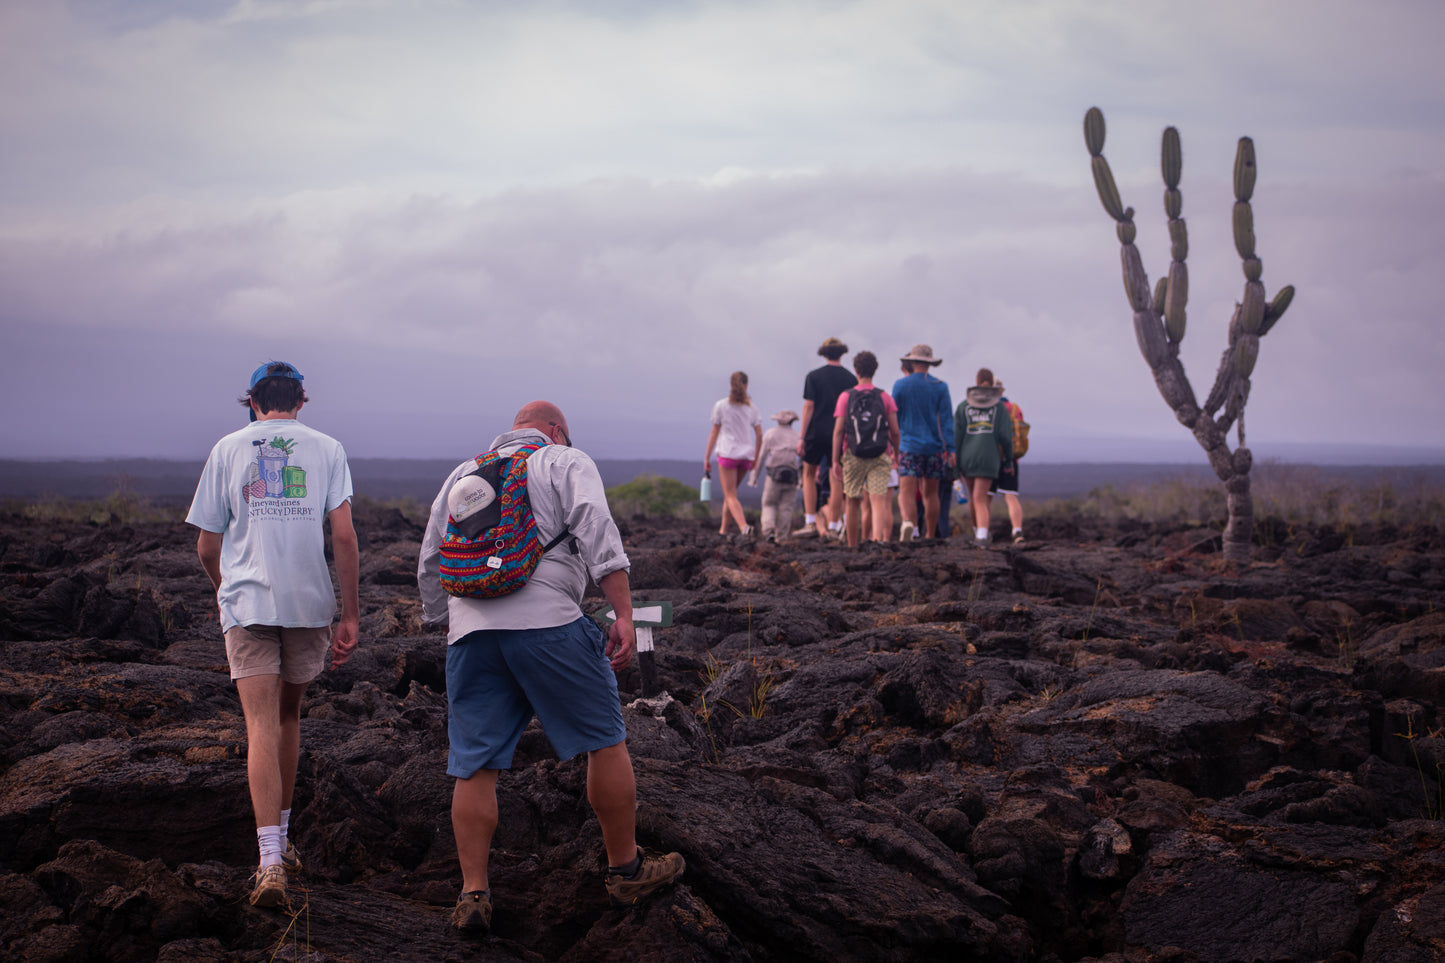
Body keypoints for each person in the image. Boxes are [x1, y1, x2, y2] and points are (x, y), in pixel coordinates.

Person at [418, 401, 685, 935]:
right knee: (605, 740)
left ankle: (473, 893)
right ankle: (625, 870)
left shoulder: (462, 473)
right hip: (548, 624)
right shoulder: (563, 461)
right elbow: (598, 533)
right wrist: (625, 616)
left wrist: (440, 622)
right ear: (556, 431)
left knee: (474, 764)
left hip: (470, 634)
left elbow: (431, 560)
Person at [186, 360, 360, 909]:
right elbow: (345, 538)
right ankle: (282, 844)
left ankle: (267, 863)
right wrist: (351, 613)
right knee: (288, 717)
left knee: (258, 724)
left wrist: (225, 591)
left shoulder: (227, 449)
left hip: (248, 602)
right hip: (308, 605)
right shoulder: (328, 449)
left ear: (254, 402)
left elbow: (207, 546)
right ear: (301, 402)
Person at [830, 351, 901, 549]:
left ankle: (852, 547)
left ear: (855, 370)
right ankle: (876, 543)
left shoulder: (845, 397)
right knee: (878, 501)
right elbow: (895, 431)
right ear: (874, 370)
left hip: (853, 455)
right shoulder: (885, 397)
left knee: (852, 501)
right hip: (880, 454)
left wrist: (836, 460)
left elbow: (838, 431)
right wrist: (896, 452)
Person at [891, 345, 955, 542]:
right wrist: (951, 448)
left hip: (908, 446)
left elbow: (894, 418)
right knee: (931, 494)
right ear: (930, 363)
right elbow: (946, 421)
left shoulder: (900, 385)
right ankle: (929, 535)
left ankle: (913, 528)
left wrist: (893, 447)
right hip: (934, 448)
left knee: (907, 493)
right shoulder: (940, 386)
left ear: (912, 361)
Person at [797, 338, 857, 538]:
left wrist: (802, 436)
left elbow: (808, 407)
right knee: (836, 477)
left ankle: (810, 521)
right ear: (842, 353)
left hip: (815, 431)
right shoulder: (850, 379)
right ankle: (833, 524)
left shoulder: (813, 376)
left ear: (824, 353)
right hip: (839, 433)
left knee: (808, 474)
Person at [955, 367, 1013, 548]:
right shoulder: (999, 408)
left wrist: (956, 464)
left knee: (974, 497)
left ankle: (977, 532)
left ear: (976, 381)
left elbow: (956, 437)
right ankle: (982, 536)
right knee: (981, 497)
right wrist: (1008, 460)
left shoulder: (964, 406)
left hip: (967, 457)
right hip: (988, 457)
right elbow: (1005, 436)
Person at [704, 372, 763, 537]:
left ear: (731, 385)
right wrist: (756, 457)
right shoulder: (752, 408)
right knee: (731, 495)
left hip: (728, 454)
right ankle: (723, 530)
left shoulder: (721, 406)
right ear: (746, 385)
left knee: (729, 495)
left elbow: (714, 432)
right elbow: (759, 434)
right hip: (746, 456)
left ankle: (743, 527)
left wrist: (707, 457)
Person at [747, 409, 803, 542]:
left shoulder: (770, 434)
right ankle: (781, 537)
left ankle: (768, 531)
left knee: (769, 504)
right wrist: (801, 479)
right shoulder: (797, 437)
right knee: (786, 507)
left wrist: (754, 477)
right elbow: (801, 461)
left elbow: (761, 457)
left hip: (773, 476)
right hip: (792, 477)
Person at [990, 381, 1027, 543]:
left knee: (984, 497)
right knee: (1011, 496)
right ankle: (1017, 530)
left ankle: (982, 532)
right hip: (1011, 459)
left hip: (990, 458)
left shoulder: (989, 408)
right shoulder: (1014, 409)